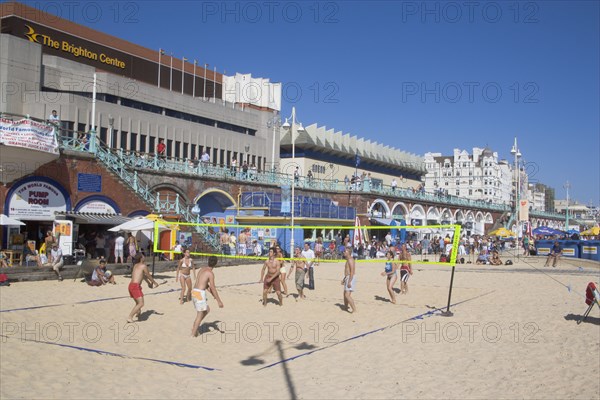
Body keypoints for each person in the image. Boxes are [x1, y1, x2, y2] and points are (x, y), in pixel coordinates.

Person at [191, 256, 224, 337]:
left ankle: (195, 325)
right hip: (199, 294)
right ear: (216, 264)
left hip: (194, 292)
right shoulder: (210, 273)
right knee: (200, 314)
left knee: (207, 309)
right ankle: (193, 334)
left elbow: (205, 285)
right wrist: (219, 301)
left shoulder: (202, 269)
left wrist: (212, 293)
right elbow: (213, 287)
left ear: (208, 261)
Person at [127, 254, 159, 323]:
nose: (145, 257)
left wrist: (148, 283)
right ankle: (130, 317)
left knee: (137, 302)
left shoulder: (135, 265)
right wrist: (155, 282)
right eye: (144, 256)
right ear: (141, 258)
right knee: (141, 303)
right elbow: (148, 275)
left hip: (131, 285)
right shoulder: (143, 266)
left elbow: (143, 275)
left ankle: (138, 312)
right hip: (135, 286)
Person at [341, 247, 357, 313]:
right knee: (344, 294)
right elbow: (347, 271)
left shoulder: (350, 260)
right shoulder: (347, 260)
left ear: (348, 252)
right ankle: (345, 307)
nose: (344, 252)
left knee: (347, 295)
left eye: (345, 251)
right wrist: (344, 279)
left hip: (350, 278)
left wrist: (349, 281)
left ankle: (354, 310)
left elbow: (352, 272)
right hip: (348, 277)